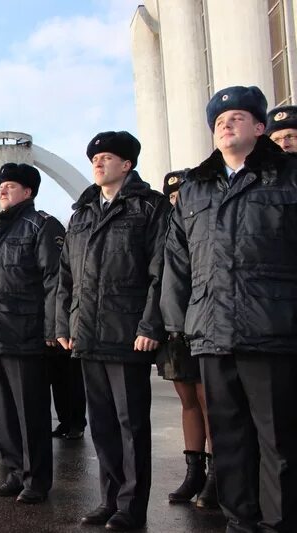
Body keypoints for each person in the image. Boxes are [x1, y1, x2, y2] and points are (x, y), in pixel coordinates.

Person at [161, 85, 297, 533]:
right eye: (219, 120)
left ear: (260, 127)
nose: (226, 123)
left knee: (278, 441)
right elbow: (177, 261)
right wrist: (175, 324)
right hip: (212, 335)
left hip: (274, 331)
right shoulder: (196, 189)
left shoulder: (288, 176)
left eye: (237, 117)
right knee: (231, 441)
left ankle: (279, 523)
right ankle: (240, 522)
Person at [57, 131, 168, 531]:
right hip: (86, 333)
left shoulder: (149, 207)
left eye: (106, 157)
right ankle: (109, 499)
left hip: (128, 333)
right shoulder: (82, 213)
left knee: (130, 424)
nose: (98, 164)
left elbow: (161, 272)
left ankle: (131, 506)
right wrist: (63, 323)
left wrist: (150, 324)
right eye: (94, 159)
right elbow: (65, 275)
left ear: (127, 164)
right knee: (102, 424)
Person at [0, 164, 64, 504]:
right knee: (7, 416)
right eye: (1, 186)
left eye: (11, 186)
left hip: (26, 334)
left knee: (31, 414)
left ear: (28, 192)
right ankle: (15, 472)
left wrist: (51, 330)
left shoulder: (41, 225)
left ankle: (37, 480)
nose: (3, 191)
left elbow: (54, 280)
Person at [155, 170, 216, 508]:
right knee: (188, 399)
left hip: (204, 322)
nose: (177, 201)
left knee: (211, 402)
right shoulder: (163, 228)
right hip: (173, 326)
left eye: (182, 194)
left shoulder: (205, 220)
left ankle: (217, 474)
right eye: (172, 196)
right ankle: (194, 472)